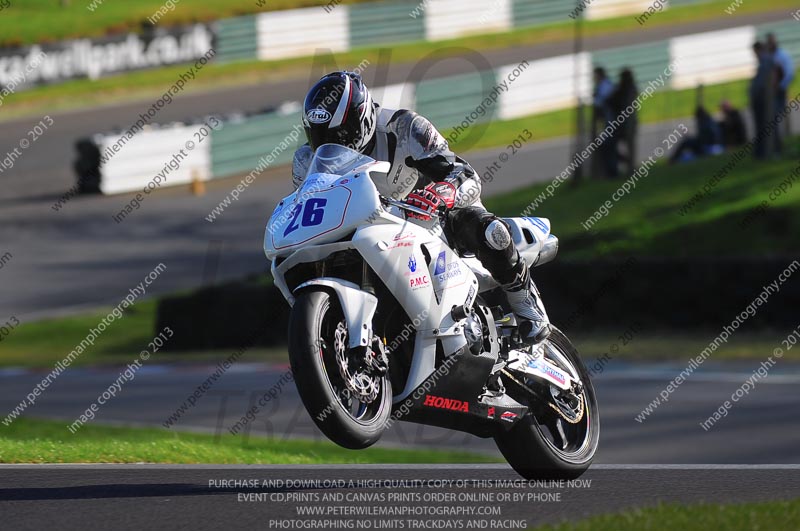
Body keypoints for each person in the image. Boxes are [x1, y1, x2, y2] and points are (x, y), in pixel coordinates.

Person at [292, 71, 550, 345]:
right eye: (320, 135)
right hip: (362, 234)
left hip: (430, 220)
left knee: (484, 227)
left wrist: (441, 194)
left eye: (341, 134)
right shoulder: (305, 161)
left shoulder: (404, 127)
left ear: (363, 118)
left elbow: (463, 173)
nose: (334, 144)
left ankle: (526, 305)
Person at [749, 41, 777, 159]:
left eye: (755, 52)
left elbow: (764, 82)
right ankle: (764, 150)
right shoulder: (764, 60)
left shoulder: (765, 60)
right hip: (761, 98)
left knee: (764, 125)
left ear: (758, 50)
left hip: (762, 99)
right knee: (763, 125)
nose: (754, 54)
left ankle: (766, 151)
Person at [766, 33, 794, 154]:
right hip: (773, 91)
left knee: (782, 114)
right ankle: (779, 139)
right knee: (775, 116)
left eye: (771, 42)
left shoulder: (782, 55)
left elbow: (789, 72)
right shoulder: (769, 56)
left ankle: (787, 135)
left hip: (780, 90)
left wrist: (781, 86)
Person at [610, 68, 639, 176]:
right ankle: (630, 166)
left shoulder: (627, 90)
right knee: (627, 148)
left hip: (626, 123)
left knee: (628, 148)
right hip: (626, 123)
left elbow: (615, 101)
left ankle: (630, 168)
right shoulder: (627, 89)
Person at [592, 67, 618, 178]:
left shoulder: (605, 87)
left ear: (600, 75)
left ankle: (612, 172)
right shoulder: (603, 86)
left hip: (612, 122)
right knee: (607, 146)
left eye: (595, 75)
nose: (594, 78)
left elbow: (600, 104)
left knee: (608, 147)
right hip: (609, 122)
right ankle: (611, 171)